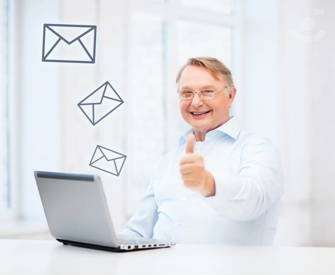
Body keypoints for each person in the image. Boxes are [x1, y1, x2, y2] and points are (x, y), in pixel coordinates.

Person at [121, 57, 283, 245]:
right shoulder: (168, 159)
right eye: (187, 93)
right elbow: (139, 230)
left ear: (231, 95)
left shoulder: (258, 149)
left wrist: (208, 184)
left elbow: (254, 201)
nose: (196, 102)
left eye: (207, 92)